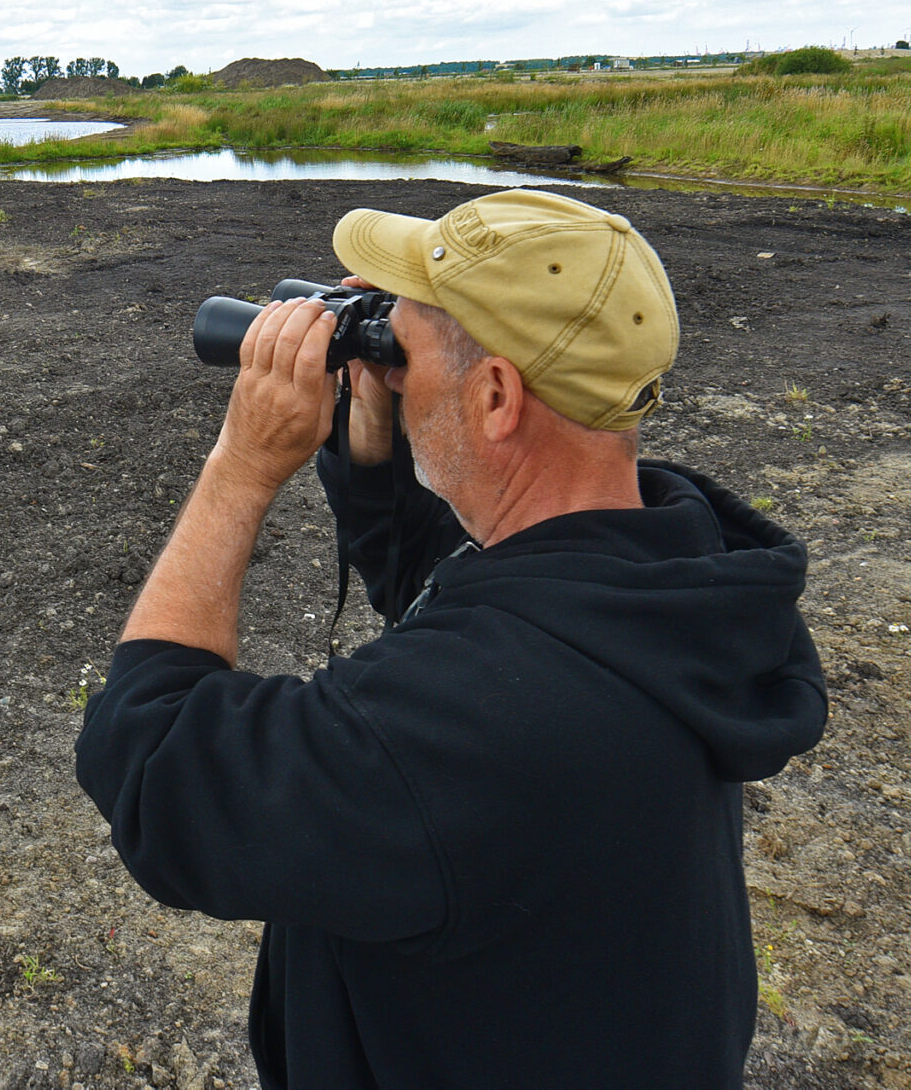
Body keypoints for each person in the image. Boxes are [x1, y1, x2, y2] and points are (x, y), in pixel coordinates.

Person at [74, 189, 828, 1088]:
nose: (392, 365)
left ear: (499, 393)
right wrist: (374, 429)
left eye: (407, 346)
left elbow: (151, 761)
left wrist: (240, 466)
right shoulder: (681, 586)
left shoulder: (453, 728)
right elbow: (457, 589)